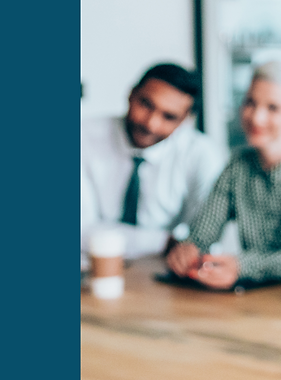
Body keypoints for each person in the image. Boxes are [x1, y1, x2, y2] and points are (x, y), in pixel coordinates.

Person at [167, 61, 281, 288]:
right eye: (250, 102)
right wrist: (189, 249)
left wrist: (241, 266)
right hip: (253, 297)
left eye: (273, 108)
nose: (256, 117)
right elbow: (203, 233)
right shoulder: (238, 165)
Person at [81, 63, 224, 261]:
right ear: (131, 94)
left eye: (169, 116)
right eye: (146, 104)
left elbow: (204, 236)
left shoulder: (201, 153)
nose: (151, 123)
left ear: (185, 120)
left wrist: (187, 247)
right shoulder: (82, 136)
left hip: (164, 272)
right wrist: (164, 242)